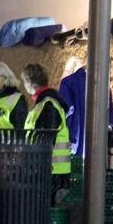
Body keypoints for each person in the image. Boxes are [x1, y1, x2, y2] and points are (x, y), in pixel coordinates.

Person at [22, 63, 70, 204]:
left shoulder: (48, 104)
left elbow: (46, 139)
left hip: (52, 173)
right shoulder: (43, 104)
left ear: (30, 82)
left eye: (25, 82)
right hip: (48, 170)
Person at [58, 63, 113, 156]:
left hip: (74, 147)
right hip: (98, 148)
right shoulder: (104, 86)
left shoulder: (68, 83)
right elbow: (110, 116)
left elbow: (62, 116)